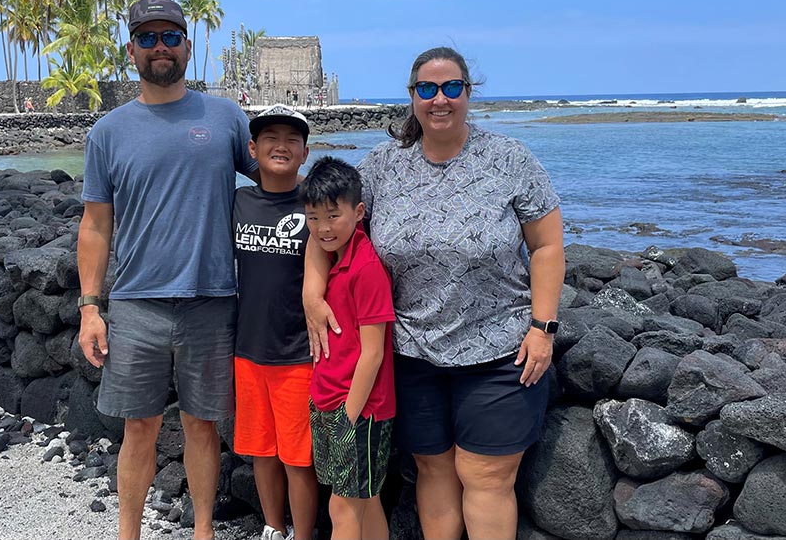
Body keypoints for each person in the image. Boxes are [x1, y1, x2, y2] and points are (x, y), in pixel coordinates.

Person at [305, 47, 564, 540]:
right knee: (433, 469)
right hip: (411, 352)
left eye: (450, 88)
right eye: (427, 89)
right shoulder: (383, 166)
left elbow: (548, 246)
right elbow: (328, 226)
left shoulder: (510, 159)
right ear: (412, 97)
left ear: (468, 93)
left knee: (486, 475)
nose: (438, 99)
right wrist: (311, 294)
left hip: (501, 350)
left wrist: (543, 327)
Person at [77, 0, 260, 540]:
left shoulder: (226, 117)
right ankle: (127, 533)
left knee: (204, 427)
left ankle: (202, 530)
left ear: (187, 45)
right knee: (140, 428)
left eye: (170, 37)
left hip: (212, 299)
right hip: (135, 304)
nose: (161, 48)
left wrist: (334, 218)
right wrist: (91, 307)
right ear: (131, 49)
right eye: (148, 38)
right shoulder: (107, 133)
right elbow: (94, 226)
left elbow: (274, 181)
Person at [233, 105, 318, 540]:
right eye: (270, 138)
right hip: (247, 350)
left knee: (298, 457)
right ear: (253, 148)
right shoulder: (238, 202)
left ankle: (301, 534)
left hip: (300, 354)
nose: (280, 146)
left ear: (305, 152)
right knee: (261, 451)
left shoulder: (317, 205)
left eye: (291, 139)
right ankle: (272, 526)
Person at [301, 157, 395, 540]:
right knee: (364, 500)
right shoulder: (332, 257)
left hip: (360, 411)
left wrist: (349, 417)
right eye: (313, 218)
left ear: (358, 213)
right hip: (327, 398)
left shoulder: (366, 268)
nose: (323, 228)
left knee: (342, 506)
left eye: (332, 216)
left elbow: (374, 352)